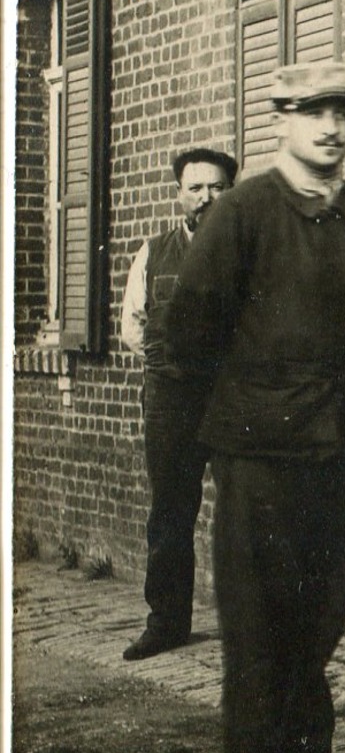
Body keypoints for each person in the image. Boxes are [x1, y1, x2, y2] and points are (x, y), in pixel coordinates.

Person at [166, 62, 345, 753]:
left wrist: (339, 395)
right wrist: (247, 407)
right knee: (258, 617)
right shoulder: (243, 213)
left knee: (322, 611)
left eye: (341, 112)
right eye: (313, 113)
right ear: (282, 122)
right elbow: (192, 330)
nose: (330, 127)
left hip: (336, 447)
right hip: (258, 453)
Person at [120, 147, 238, 661]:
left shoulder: (250, 252)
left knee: (248, 511)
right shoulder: (153, 252)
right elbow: (133, 323)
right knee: (170, 511)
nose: (206, 198)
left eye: (217, 188)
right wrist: (164, 356)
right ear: (179, 195)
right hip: (171, 400)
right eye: (196, 188)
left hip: (234, 400)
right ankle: (166, 622)